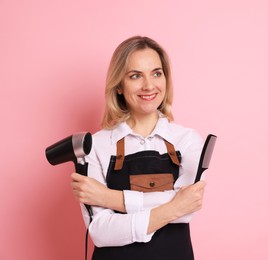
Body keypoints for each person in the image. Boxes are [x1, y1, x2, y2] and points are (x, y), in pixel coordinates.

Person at [70, 36, 206, 260]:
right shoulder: (95, 146)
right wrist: (173, 207)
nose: (149, 85)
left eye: (156, 73)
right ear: (120, 86)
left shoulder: (187, 140)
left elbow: (189, 208)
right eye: (135, 76)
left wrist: (109, 198)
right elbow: (101, 232)